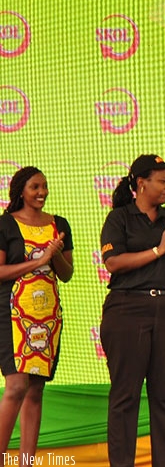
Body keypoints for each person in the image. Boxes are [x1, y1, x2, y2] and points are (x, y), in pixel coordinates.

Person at [99, 155, 165, 467]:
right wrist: (157, 250)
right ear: (141, 183)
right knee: (125, 396)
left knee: (164, 398)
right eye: (162, 180)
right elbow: (113, 263)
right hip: (128, 308)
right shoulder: (119, 219)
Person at [0, 167, 73, 465]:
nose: (42, 192)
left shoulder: (59, 224)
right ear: (20, 191)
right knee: (17, 385)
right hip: (12, 312)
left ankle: (26, 462)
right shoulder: (5, 225)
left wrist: (53, 255)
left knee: (36, 388)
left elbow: (66, 274)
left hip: (47, 315)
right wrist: (39, 260)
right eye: (35, 187)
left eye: (44, 186)